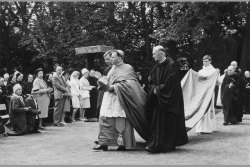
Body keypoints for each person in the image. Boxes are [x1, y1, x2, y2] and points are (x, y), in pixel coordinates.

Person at [93, 50, 150, 151]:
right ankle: (104, 142)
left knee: (120, 121)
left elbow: (129, 84)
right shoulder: (112, 68)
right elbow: (109, 80)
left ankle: (122, 143)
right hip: (109, 98)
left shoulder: (127, 68)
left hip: (120, 98)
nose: (111, 59)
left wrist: (112, 87)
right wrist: (101, 79)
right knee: (105, 119)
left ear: (119, 58)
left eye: (113, 57)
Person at [146, 45, 188, 153]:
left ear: (161, 53)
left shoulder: (172, 65)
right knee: (158, 123)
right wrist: (153, 89)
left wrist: (158, 90)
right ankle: (157, 144)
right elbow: (150, 81)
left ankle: (164, 145)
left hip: (169, 100)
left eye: (154, 53)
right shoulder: (156, 67)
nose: (153, 55)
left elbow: (171, 83)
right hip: (159, 99)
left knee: (168, 123)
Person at [195, 55, 219, 134]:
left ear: (210, 61)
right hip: (202, 93)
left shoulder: (214, 71)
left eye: (206, 61)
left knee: (208, 109)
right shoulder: (200, 71)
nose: (204, 63)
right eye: (203, 61)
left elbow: (218, 83)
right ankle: (200, 128)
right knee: (201, 109)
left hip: (210, 93)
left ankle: (208, 127)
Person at [96, 50, 113, 118]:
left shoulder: (118, 68)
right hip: (106, 93)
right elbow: (103, 82)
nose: (106, 61)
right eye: (105, 59)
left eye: (107, 59)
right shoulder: (106, 69)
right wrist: (99, 81)